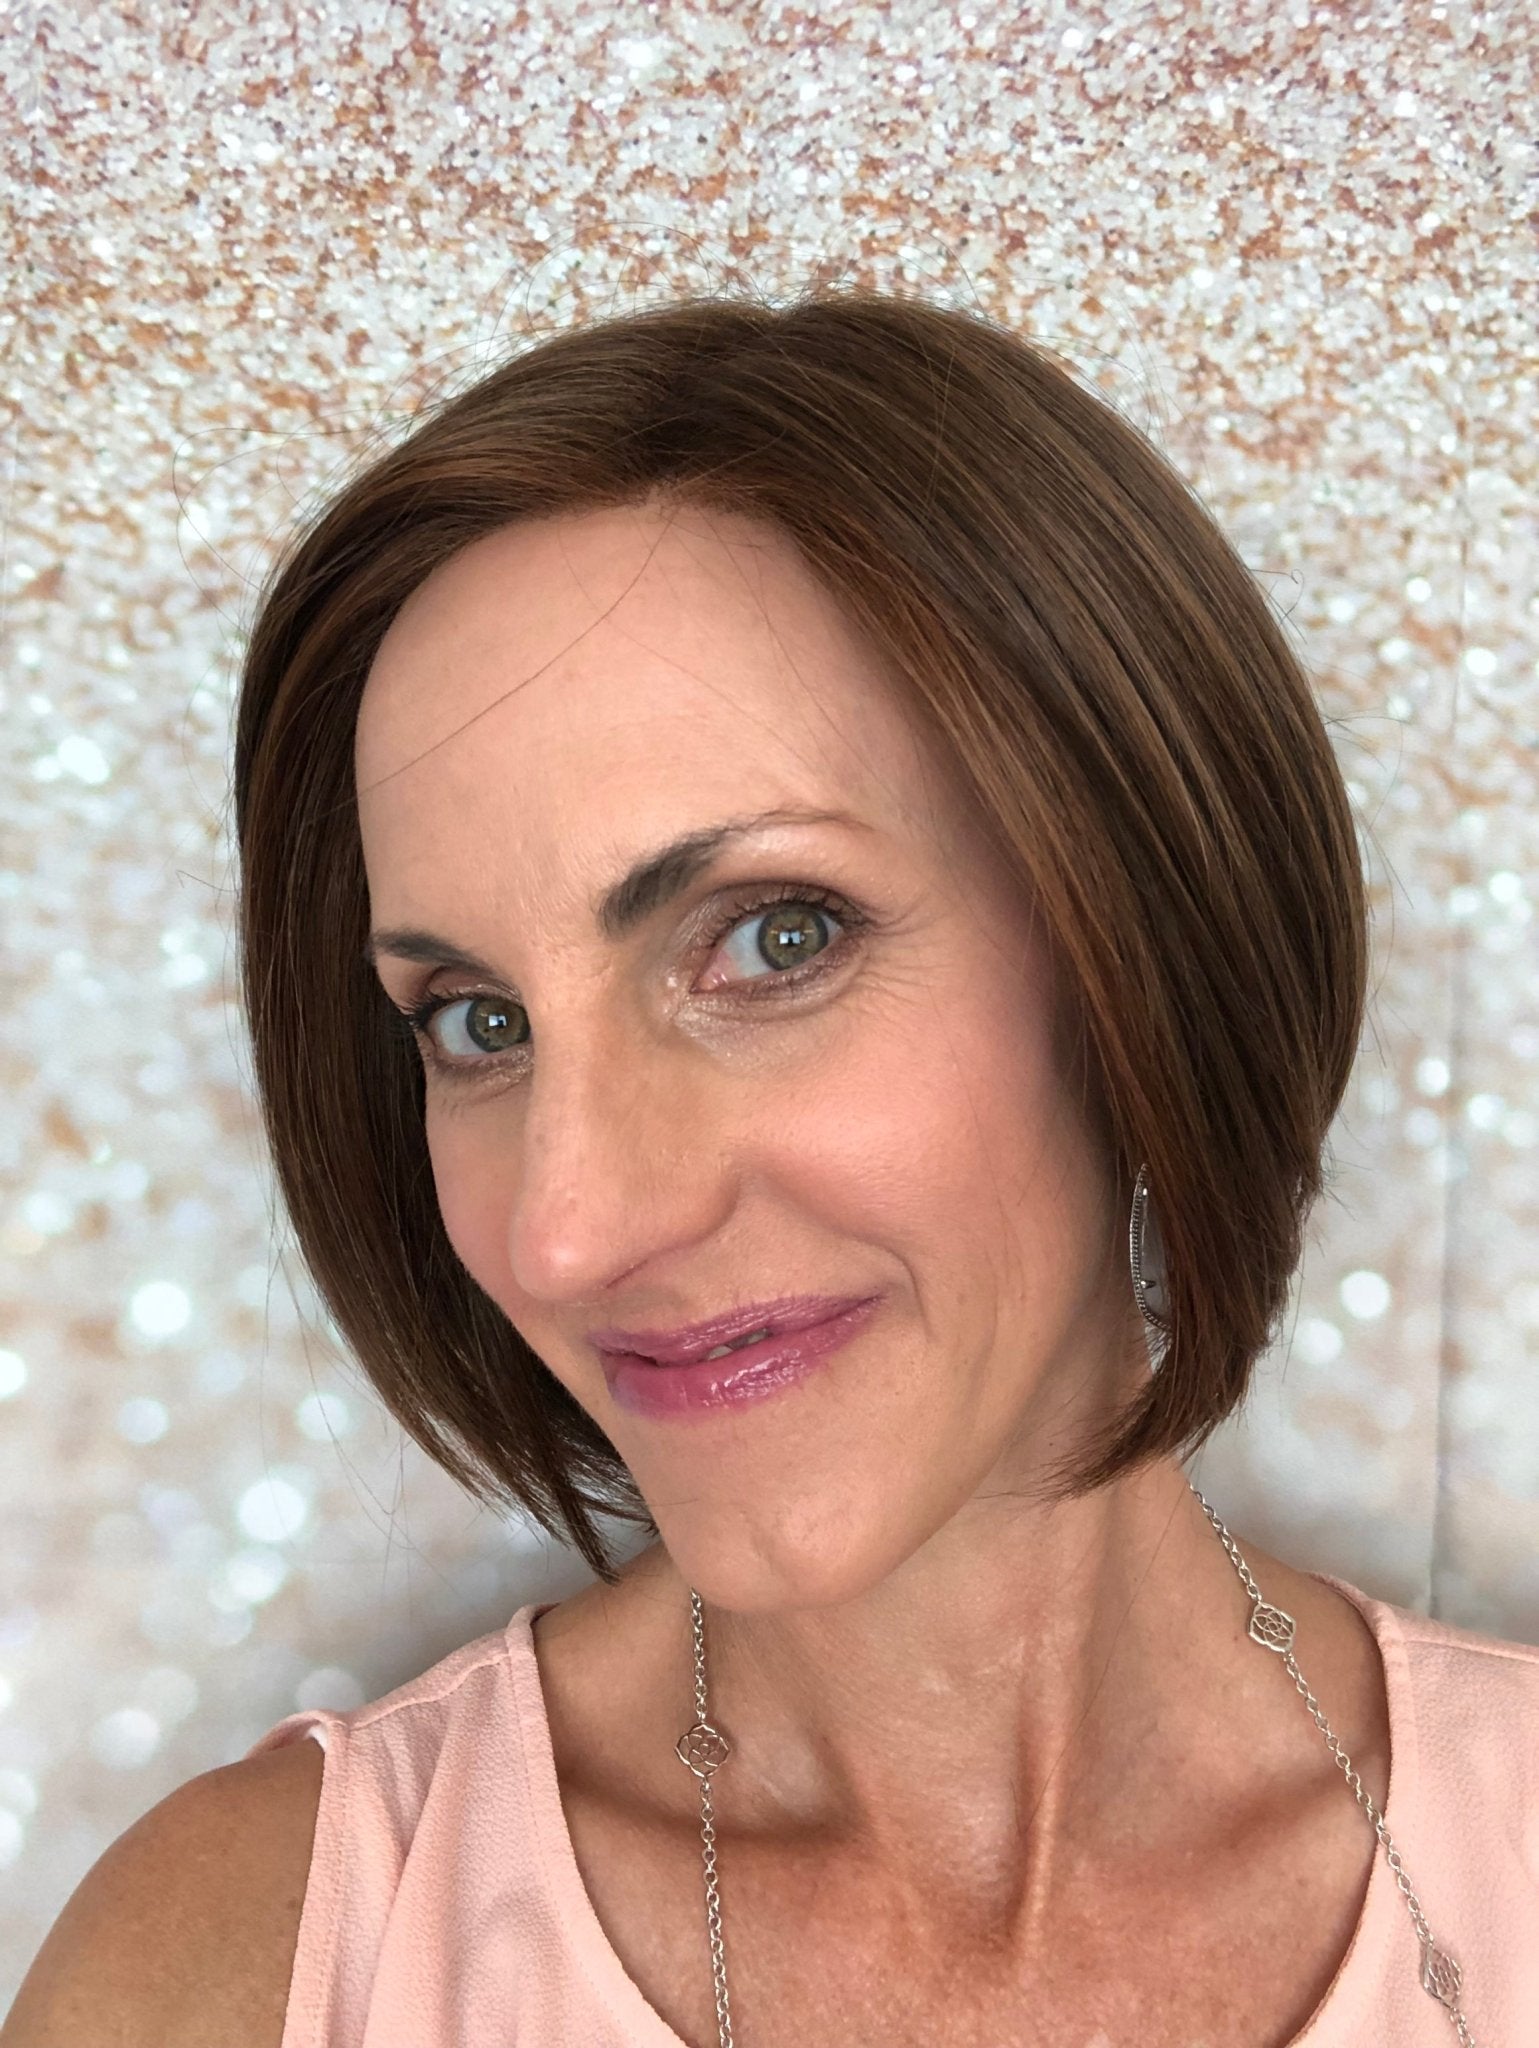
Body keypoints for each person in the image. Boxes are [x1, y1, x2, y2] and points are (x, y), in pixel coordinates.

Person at [6, 288, 1537, 2048]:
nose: (572, 1228)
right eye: (479, 1025)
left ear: (1143, 948)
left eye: (773, 938)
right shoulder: (242, 1971)